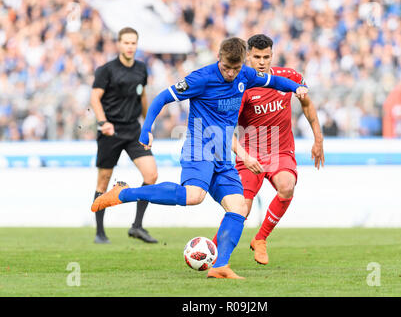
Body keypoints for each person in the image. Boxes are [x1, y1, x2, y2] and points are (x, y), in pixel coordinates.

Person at [91, 37, 309, 279]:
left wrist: (296, 87)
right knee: (194, 196)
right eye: (226, 67)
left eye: (235, 69)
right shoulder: (201, 78)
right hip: (199, 147)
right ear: (219, 59)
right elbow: (162, 97)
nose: (230, 73)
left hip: (222, 153)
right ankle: (122, 193)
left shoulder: (245, 75)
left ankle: (221, 266)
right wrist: (146, 128)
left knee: (238, 208)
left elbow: (274, 81)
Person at [212, 34, 324, 265]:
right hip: (249, 153)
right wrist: (243, 155)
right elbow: (224, 130)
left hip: (280, 151)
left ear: (272, 55)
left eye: (266, 57)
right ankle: (212, 250)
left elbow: (307, 103)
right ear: (247, 57)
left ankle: (260, 239)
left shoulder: (289, 77)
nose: (262, 62)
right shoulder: (239, 87)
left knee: (287, 186)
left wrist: (318, 138)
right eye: (256, 57)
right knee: (241, 209)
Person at [90, 27, 158, 244]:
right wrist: (103, 122)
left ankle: (137, 226)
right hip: (111, 131)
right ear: (119, 44)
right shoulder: (107, 70)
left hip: (133, 130)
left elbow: (143, 96)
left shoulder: (141, 68)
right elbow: (94, 98)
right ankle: (100, 233)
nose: (130, 46)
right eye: (126, 42)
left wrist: (148, 125)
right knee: (103, 181)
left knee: (151, 176)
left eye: (133, 43)